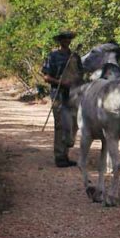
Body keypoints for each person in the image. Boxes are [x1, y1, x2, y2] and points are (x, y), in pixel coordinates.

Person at [41, 30, 82, 167]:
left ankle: (66, 154)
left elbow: (81, 76)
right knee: (60, 125)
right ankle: (59, 157)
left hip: (74, 96)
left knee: (73, 125)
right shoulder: (52, 56)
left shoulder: (75, 57)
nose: (67, 40)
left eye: (69, 38)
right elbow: (46, 77)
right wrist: (61, 83)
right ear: (60, 41)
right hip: (58, 95)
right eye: (64, 38)